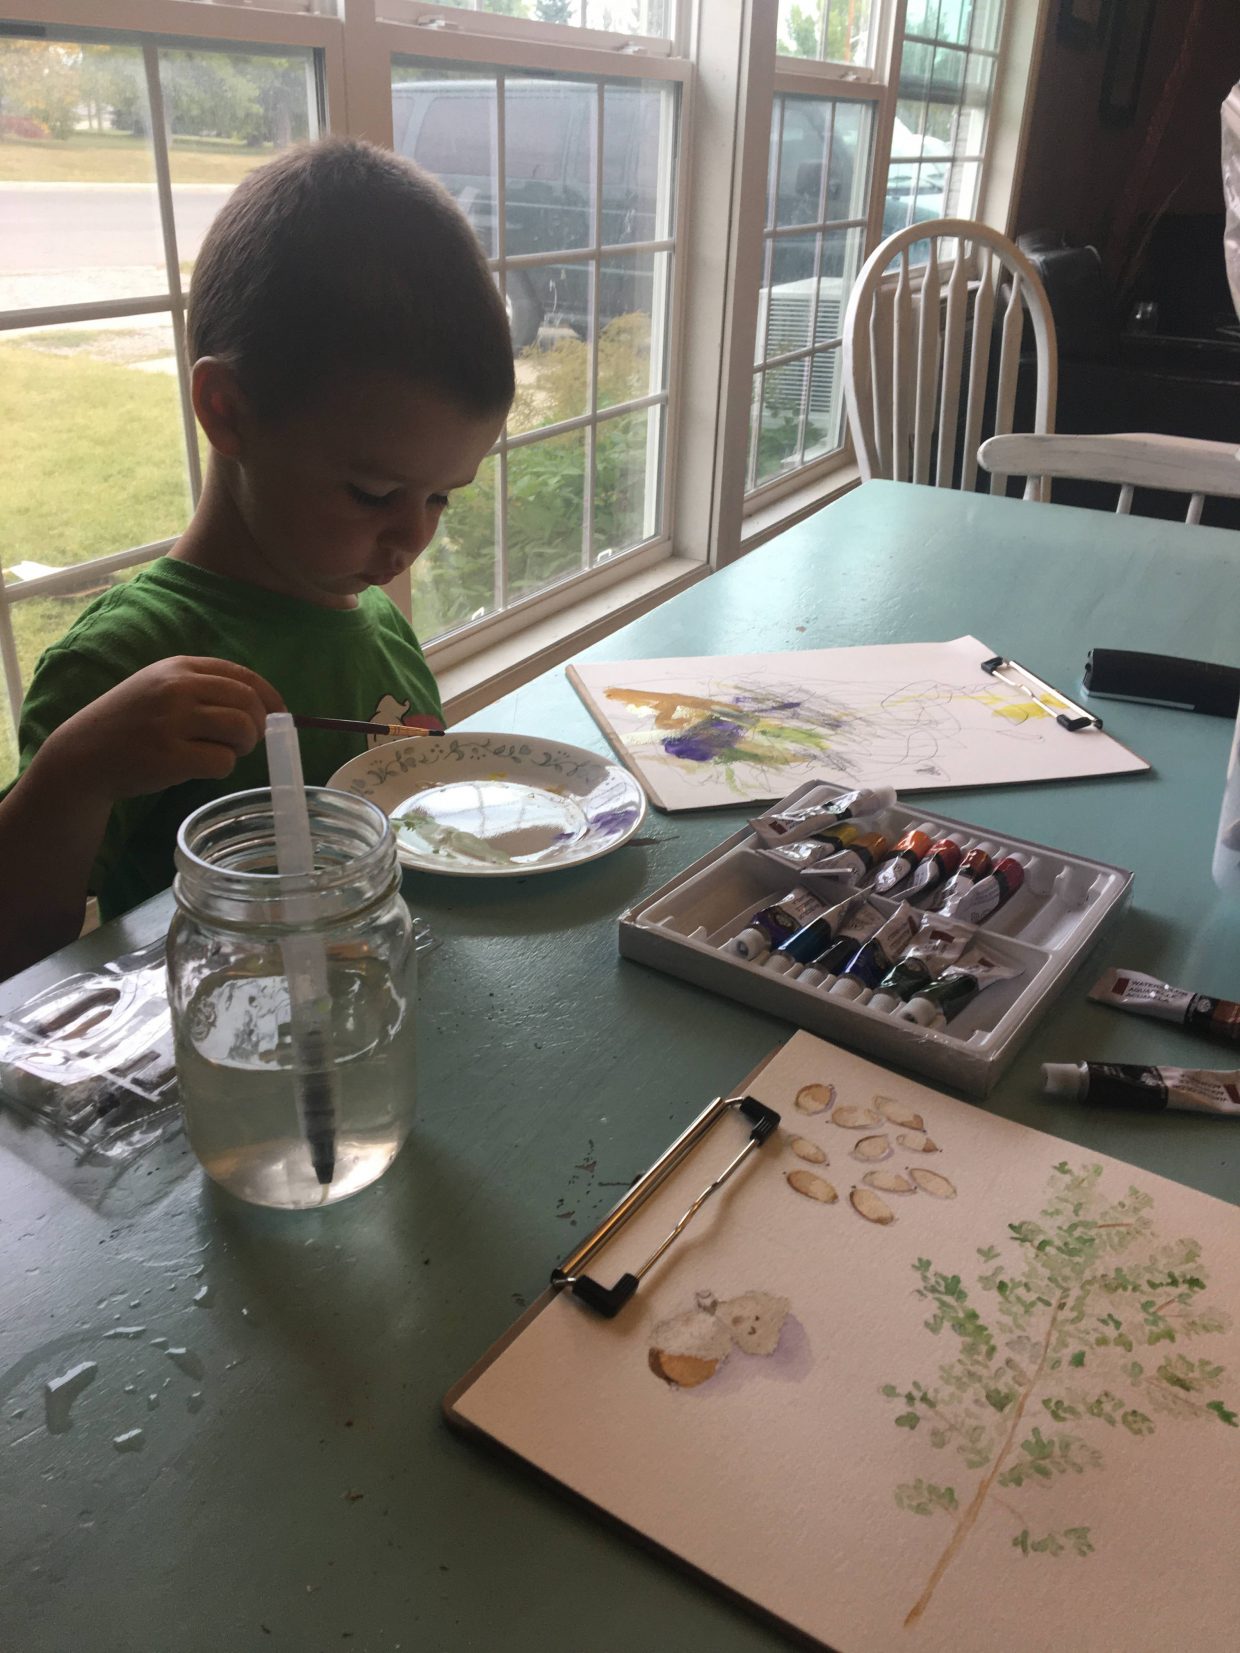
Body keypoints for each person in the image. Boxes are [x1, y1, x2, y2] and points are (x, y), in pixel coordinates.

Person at [0, 138, 513, 981]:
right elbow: (18, 956)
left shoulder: (377, 626)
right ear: (226, 411)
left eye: (441, 497)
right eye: (374, 492)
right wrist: (71, 777)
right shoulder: (122, 660)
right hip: (223, 1073)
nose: (413, 539)